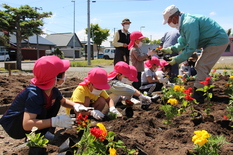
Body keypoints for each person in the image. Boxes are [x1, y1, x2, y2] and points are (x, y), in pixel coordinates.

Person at [0, 56, 90, 139]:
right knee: (42, 108)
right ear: (55, 77)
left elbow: (63, 102)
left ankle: (43, 133)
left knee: (56, 102)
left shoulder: (52, 90)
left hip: (28, 122)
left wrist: (76, 106)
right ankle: (34, 137)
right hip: (15, 126)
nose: (65, 76)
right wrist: (55, 121)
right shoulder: (34, 94)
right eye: (63, 73)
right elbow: (27, 124)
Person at [161, 5, 229, 103]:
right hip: (212, 41)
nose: (169, 24)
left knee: (201, 66)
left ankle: (198, 95)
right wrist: (168, 50)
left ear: (174, 17)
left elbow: (191, 47)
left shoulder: (188, 23)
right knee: (201, 67)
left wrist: (176, 60)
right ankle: (208, 91)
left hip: (217, 40)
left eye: (168, 21)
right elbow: (182, 42)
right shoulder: (184, 24)